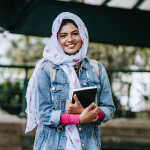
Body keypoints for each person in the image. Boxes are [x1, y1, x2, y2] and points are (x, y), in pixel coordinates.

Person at [25, 12, 115, 150]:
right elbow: (43, 113)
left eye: (75, 33)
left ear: (83, 35)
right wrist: (79, 118)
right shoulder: (46, 69)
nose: (70, 39)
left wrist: (88, 112)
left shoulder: (97, 69)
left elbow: (108, 108)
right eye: (63, 35)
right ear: (56, 39)